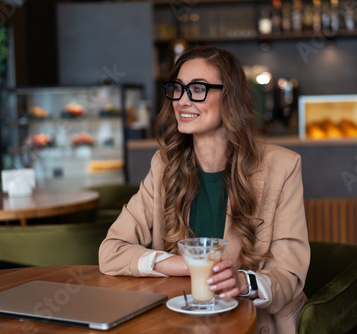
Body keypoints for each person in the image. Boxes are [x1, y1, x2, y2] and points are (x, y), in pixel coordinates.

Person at [99, 46, 310, 334]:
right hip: (180, 322)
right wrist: (183, 264)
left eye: (198, 89)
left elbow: (290, 277)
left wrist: (243, 282)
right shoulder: (164, 165)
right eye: (177, 88)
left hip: (253, 324)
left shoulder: (283, 166)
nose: (182, 101)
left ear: (230, 97)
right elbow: (111, 252)